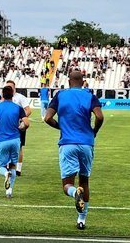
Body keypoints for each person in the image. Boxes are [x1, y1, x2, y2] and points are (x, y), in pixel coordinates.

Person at [43, 69, 103, 230]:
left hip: (67, 143)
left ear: (69, 82)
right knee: (85, 181)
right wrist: (94, 131)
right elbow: (99, 116)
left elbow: (47, 118)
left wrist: (60, 126)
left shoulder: (60, 95)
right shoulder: (90, 96)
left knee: (67, 185)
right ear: (83, 82)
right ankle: (81, 219)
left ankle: (74, 193)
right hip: (86, 144)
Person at [0, 85, 30, 199]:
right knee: (12, 165)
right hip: (15, 140)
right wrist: (21, 127)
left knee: (2, 166)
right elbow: (27, 123)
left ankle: (5, 174)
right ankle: (9, 190)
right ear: (12, 95)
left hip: (2, 140)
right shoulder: (18, 108)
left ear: (2, 95)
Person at [6, 80, 32, 175]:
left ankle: (18, 169)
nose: (9, 89)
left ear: (14, 88)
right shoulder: (4, 98)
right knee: (8, 145)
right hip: (8, 125)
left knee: (19, 147)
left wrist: (22, 120)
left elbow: (28, 110)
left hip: (19, 125)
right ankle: (9, 166)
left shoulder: (20, 98)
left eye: (10, 87)